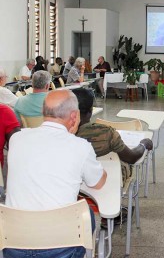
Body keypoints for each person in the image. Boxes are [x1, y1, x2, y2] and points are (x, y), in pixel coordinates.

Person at [5, 90, 106, 258]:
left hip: (13, 244)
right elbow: (99, 182)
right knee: (87, 212)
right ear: (74, 116)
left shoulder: (17, 139)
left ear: (44, 112)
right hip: (61, 248)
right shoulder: (80, 146)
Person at [73, 88, 153, 183]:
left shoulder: (61, 133)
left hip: (74, 182)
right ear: (91, 111)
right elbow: (131, 158)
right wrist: (143, 144)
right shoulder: (106, 133)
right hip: (110, 182)